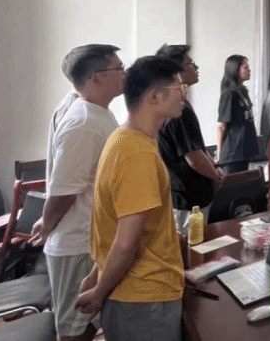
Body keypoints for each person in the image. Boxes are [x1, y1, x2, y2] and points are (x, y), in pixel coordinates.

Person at [75, 56, 187, 341]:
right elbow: (126, 242)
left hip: (132, 293)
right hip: (144, 298)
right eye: (178, 88)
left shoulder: (122, 138)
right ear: (154, 97)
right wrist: (99, 293)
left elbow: (110, 222)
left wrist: (97, 275)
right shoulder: (137, 154)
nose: (184, 95)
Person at [31, 44, 123, 341]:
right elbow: (64, 190)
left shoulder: (95, 111)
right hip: (77, 241)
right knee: (73, 329)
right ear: (96, 78)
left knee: (89, 319)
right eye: (119, 69)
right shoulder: (83, 123)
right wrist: (47, 224)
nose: (124, 74)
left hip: (90, 237)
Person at [155, 44, 224, 233]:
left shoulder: (179, 102)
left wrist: (215, 166)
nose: (196, 67)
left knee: (198, 242)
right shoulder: (177, 108)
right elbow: (193, 157)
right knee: (191, 244)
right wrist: (216, 176)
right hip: (187, 199)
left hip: (191, 194)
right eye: (191, 64)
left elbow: (196, 146)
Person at [216, 54, 257, 174]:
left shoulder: (243, 91)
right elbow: (221, 126)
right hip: (233, 154)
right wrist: (219, 153)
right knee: (233, 184)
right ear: (235, 70)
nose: (249, 70)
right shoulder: (229, 94)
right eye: (245, 67)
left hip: (244, 150)